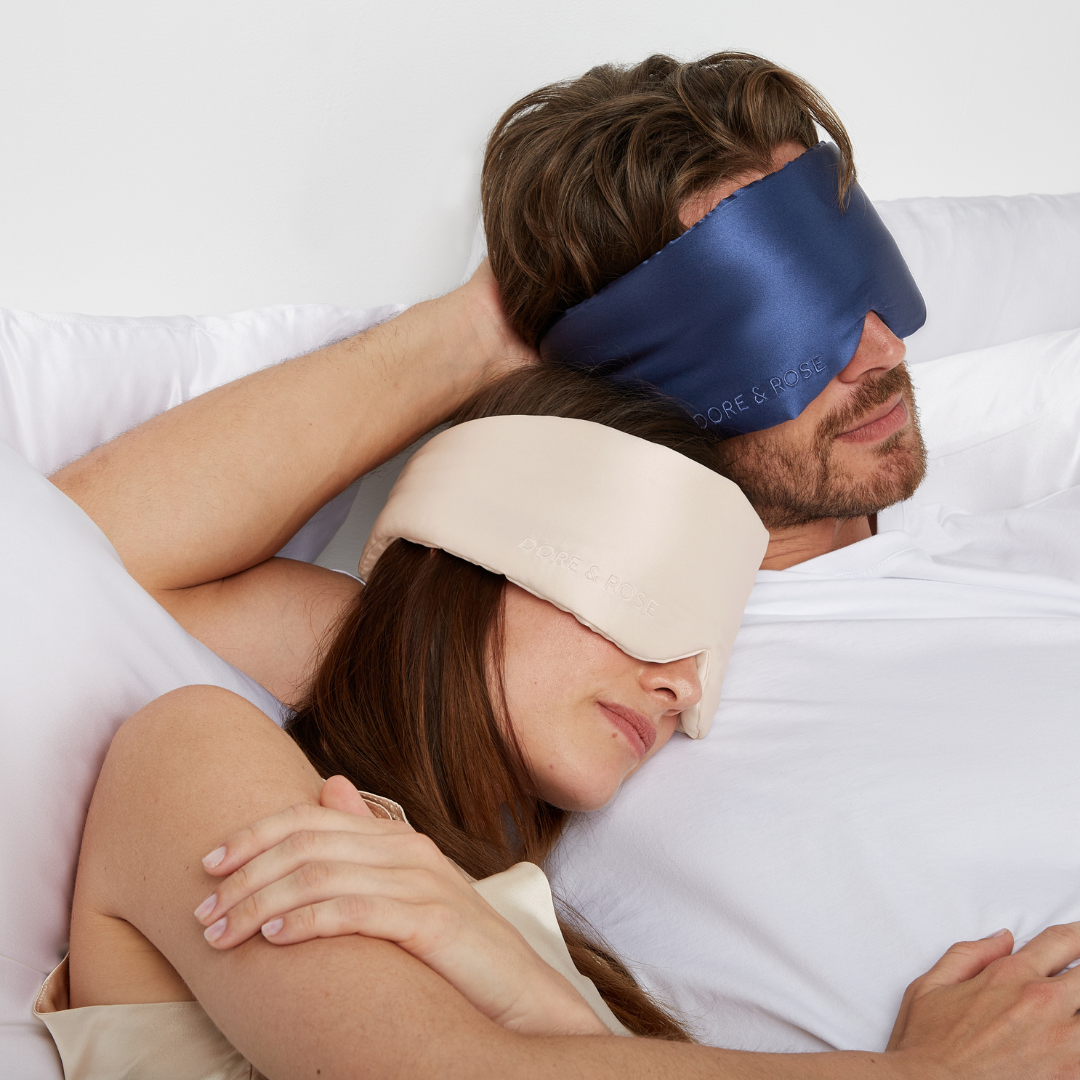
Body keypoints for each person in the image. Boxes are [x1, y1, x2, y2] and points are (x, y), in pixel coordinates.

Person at [36, 256, 1080, 1079]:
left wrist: (531, 992)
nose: (688, 687)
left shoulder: (529, 925)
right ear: (493, 546)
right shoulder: (199, 759)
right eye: (653, 605)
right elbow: (62, 565)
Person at [478, 52, 1080, 1049]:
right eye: (784, 327)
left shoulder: (1035, 550)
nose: (880, 355)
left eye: (865, 284)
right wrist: (472, 338)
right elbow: (126, 577)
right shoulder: (566, 691)